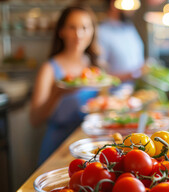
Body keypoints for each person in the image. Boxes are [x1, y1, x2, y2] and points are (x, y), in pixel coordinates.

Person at [30, 5, 100, 165]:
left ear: (92, 31)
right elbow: (34, 120)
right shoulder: (49, 69)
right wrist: (57, 93)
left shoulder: (95, 67)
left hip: (89, 146)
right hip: (58, 148)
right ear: (61, 31)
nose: (78, 34)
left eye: (84, 27)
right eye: (72, 27)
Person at [98, 0, 144, 82]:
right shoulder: (101, 33)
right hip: (115, 92)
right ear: (113, 5)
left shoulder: (130, 28)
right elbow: (99, 75)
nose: (132, 9)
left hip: (136, 90)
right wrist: (132, 74)